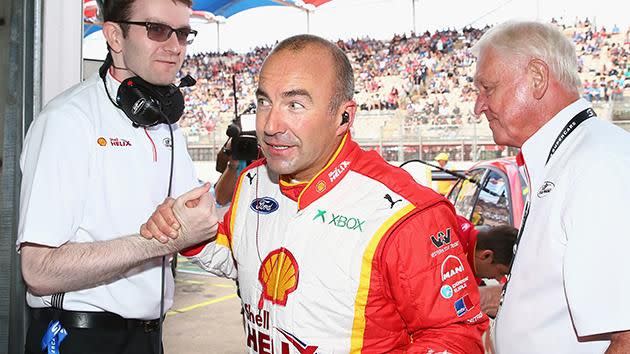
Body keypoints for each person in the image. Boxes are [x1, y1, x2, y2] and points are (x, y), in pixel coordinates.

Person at [142, 34, 488, 352]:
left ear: (343, 117)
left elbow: (456, 335)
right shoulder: (252, 182)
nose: (271, 125)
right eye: (264, 102)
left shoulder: (405, 213)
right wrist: (187, 233)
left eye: (295, 105)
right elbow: (238, 258)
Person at [16, 1, 216, 353]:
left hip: (148, 337)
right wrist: (160, 243)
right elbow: (39, 270)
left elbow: (196, 222)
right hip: (78, 337)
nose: (175, 47)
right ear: (114, 36)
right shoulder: (67, 121)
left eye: (184, 33)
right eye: (157, 30)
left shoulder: (165, 123)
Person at [473, 21, 630, 353]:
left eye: (488, 88)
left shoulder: (597, 164)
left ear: (538, 78)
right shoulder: (571, 155)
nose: (479, 107)